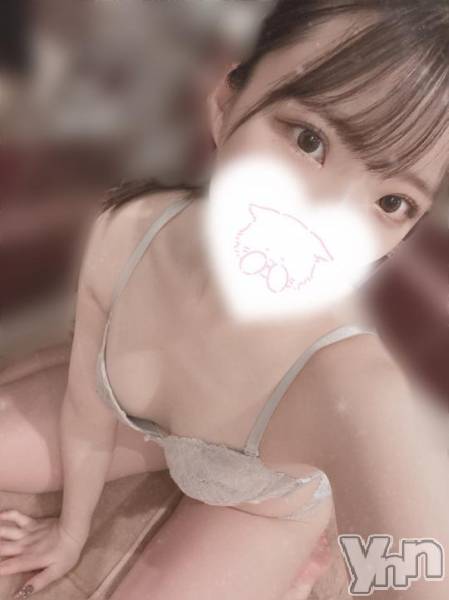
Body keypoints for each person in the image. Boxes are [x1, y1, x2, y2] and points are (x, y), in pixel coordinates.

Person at [1, 2, 449, 599]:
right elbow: (88, 408)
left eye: (393, 203)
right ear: (225, 101)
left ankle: (307, 548)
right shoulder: (126, 231)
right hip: (150, 433)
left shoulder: (347, 382)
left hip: (259, 504)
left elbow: (420, 572)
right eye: (309, 139)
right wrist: (70, 534)